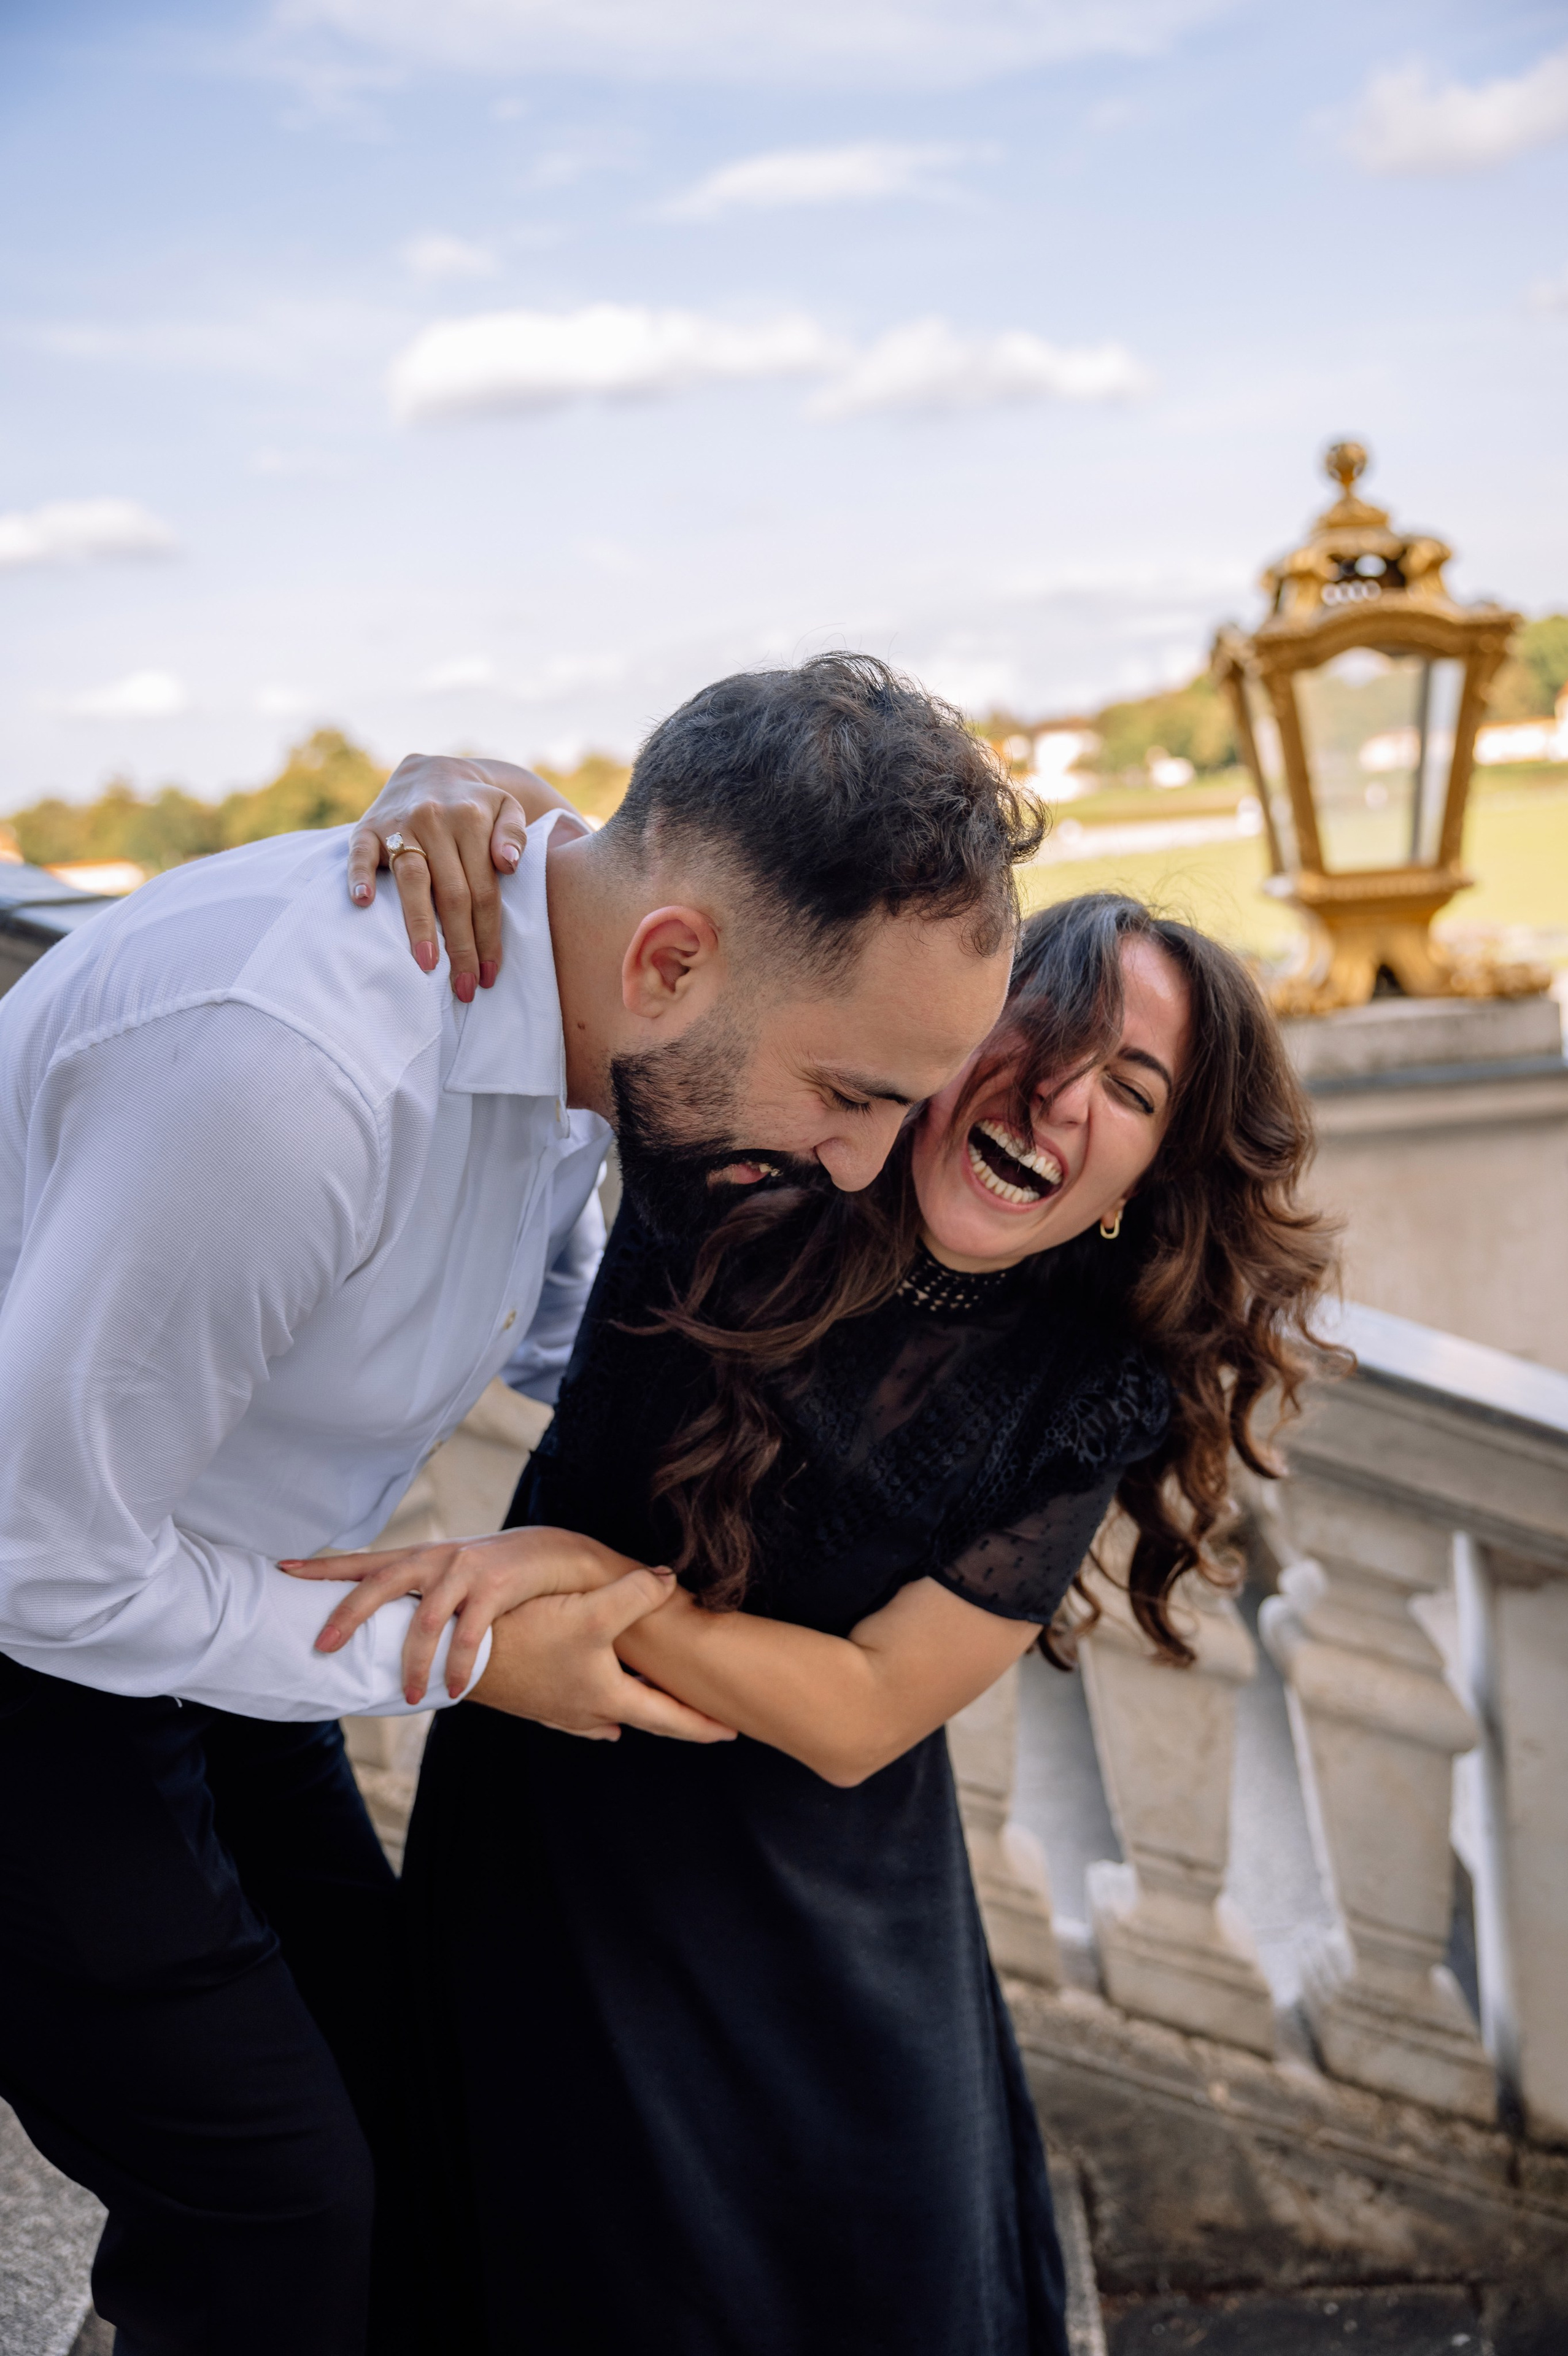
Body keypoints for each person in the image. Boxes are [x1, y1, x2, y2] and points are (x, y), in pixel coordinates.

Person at [0, 655, 1038, 2356]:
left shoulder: (578, 984)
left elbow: (573, 1338)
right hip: (35, 1639)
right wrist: (468, 1657)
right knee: (278, 2208)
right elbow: (34, 1557)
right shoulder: (295, 1081)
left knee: (413, 2110)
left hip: (217, 1605)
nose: (860, 1162)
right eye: (852, 1096)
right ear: (670, 960)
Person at [299, 887, 1340, 2356]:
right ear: (957, 1020)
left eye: (1128, 1087)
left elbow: (857, 1713)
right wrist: (470, 792)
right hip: (545, 1878)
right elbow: (647, 894)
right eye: (1049, 1028)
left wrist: (574, 1573)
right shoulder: (740, 1153)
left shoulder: (1084, 1385)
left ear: (1139, 1170)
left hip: (827, 1945)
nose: (1060, 1093)